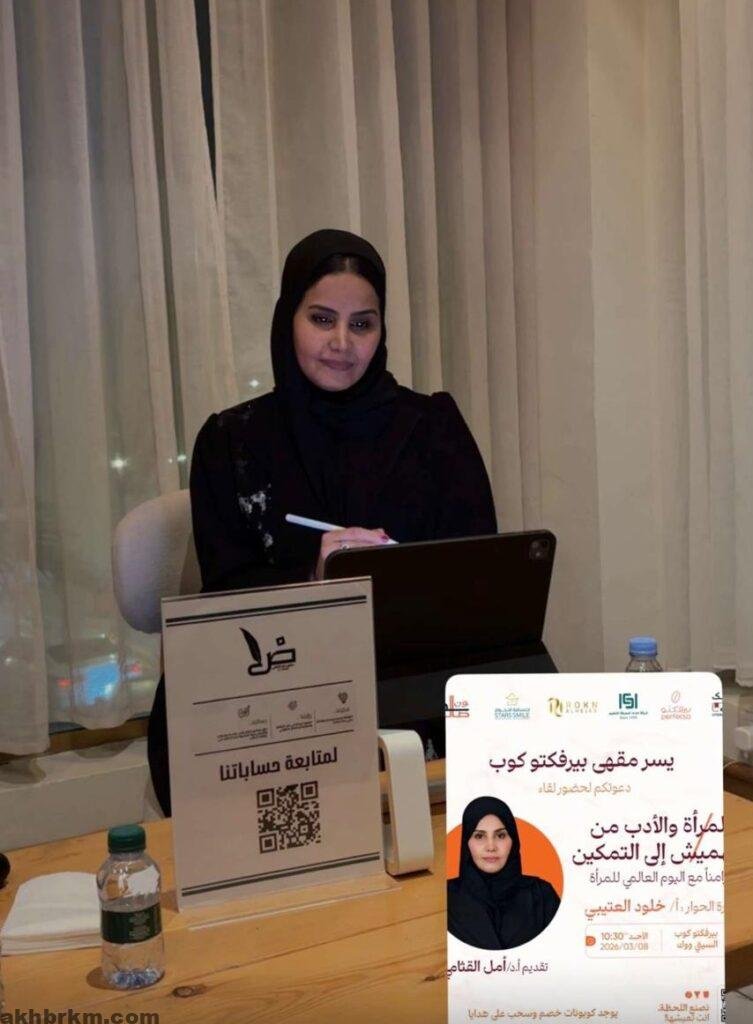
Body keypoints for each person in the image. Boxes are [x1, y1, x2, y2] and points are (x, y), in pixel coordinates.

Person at [148, 228, 497, 815]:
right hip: (271, 699)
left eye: (362, 324)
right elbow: (224, 600)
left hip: (407, 684)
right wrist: (314, 576)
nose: (342, 343)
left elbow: (481, 580)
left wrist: (404, 575)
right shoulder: (231, 442)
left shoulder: (433, 428)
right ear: (288, 319)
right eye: (321, 319)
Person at [447, 795, 560, 949]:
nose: (491, 847)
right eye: (479, 836)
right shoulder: (447, 897)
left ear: (513, 840)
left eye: (500, 835)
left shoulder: (541, 895)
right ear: (466, 843)